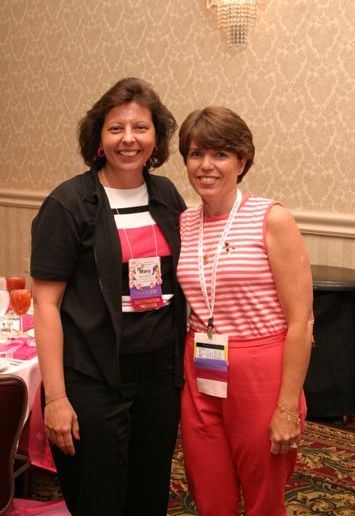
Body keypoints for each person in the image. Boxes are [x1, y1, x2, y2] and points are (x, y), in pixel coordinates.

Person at [30, 77, 187, 516]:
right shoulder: (69, 204)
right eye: (116, 128)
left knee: (149, 488)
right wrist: (56, 399)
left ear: (156, 138)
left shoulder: (167, 195)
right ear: (98, 137)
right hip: (94, 375)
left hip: (159, 373)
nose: (128, 139)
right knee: (99, 495)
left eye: (140, 128)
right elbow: (46, 305)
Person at [176, 106, 314, 516]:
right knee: (208, 491)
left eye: (220, 154)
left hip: (262, 369)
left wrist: (287, 407)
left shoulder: (271, 218)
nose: (206, 166)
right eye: (196, 153)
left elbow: (301, 321)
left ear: (242, 160)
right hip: (201, 362)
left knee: (262, 496)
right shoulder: (184, 221)